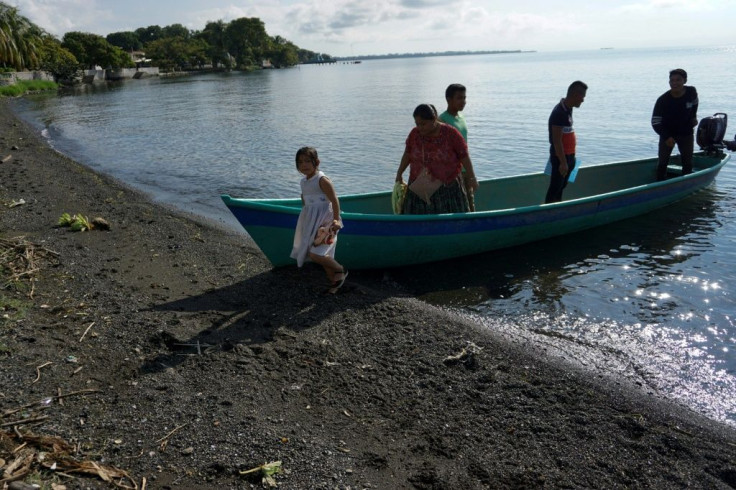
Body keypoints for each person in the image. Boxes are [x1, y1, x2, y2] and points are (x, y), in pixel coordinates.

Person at [395, 103, 479, 214]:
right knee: (417, 221)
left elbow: (464, 156)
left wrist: (472, 178)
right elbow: (407, 154)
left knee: (449, 222)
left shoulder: (451, 134)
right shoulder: (414, 134)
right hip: (419, 187)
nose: (420, 128)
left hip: (447, 189)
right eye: (417, 124)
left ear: (434, 119)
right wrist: (399, 173)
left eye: (423, 124)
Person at [289, 147, 347, 293]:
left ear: (317, 162)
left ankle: (341, 269)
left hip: (326, 222)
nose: (304, 165)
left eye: (308, 161)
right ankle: (335, 282)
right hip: (312, 221)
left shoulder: (322, 180)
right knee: (321, 252)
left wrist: (336, 220)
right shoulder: (304, 182)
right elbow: (306, 200)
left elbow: (334, 200)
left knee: (316, 254)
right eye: (300, 162)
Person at [651, 68, 699, 181]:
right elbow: (655, 122)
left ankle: (686, 183)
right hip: (667, 133)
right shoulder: (663, 100)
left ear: (685, 81)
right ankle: (660, 183)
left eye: (678, 80)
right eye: (672, 80)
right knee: (662, 162)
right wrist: (667, 137)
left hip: (686, 133)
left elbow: (695, 103)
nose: (675, 83)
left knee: (687, 161)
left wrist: (693, 116)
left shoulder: (691, 91)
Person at [545, 80, 587, 204]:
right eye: (582, 97)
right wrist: (563, 163)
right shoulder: (559, 112)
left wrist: (571, 159)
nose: (583, 100)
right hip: (560, 158)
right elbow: (556, 141)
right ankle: (548, 213)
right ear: (575, 95)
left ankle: (558, 209)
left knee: (562, 187)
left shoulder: (568, 108)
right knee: (555, 188)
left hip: (569, 156)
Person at [439, 83, 475, 211]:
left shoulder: (461, 117)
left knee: (470, 205)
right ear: (449, 100)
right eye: (459, 98)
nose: (463, 102)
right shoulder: (442, 121)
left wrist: (470, 175)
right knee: (459, 207)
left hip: (465, 170)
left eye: (464, 98)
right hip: (453, 174)